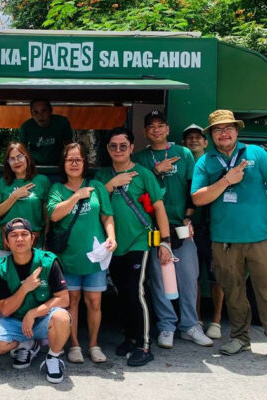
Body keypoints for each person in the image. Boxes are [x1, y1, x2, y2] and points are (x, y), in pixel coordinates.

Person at [191, 109, 267, 363]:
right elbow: (198, 198)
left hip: (258, 239)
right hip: (224, 241)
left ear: (237, 131)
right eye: (217, 129)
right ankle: (240, 338)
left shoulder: (256, 153)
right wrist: (226, 180)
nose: (223, 133)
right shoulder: (205, 161)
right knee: (233, 292)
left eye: (228, 128)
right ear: (211, 135)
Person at [133, 110, 213, 349]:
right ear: (146, 132)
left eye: (160, 125)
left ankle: (190, 325)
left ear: (167, 129)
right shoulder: (140, 159)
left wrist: (189, 217)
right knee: (159, 279)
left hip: (181, 226)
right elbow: (137, 191)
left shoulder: (184, 153)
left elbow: (193, 187)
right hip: (153, 229)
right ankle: (166, 326)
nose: (156, 130)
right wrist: (157, 170)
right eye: (151, 126)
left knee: (188, 277)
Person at [95, 127, 171, 366]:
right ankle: (129, 337)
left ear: (132, 148)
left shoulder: (144, 174)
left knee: (136, 292)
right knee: (122, 293)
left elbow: (159, 208)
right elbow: (94, 201)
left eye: (123, 145)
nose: (118, 150)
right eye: (113, 146)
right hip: (112, 245)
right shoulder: (101, 175)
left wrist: (165, 242)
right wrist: (111, 184)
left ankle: (144, 344)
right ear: (107, 149)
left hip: (139, 241)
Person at [47, 143, 116, 364]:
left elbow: (107, 215)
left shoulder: (97, 187)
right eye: (70, 160)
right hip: (68, 258)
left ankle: (94, 344)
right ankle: (74, 345)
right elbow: (55, 215)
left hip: (95, 256)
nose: (74, 163)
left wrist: (111, 236)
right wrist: (77, 196)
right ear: (63, 163)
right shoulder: (57, 189)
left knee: (95, 301)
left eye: (78, 159)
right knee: (72, 301)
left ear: (85, 162)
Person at [0, 218, 71, 384]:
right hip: (16, 321)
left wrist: (34, 313)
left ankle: (53, 358)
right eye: (14, 235)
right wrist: (25, 288)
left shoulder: (48, 261)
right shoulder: (1, 268)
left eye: (24, 234)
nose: (19, 239)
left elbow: (64, 299)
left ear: (33, 238)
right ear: (6, 241)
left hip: (43, 320)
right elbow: (6, 309)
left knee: (62, 317)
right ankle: (26, 344)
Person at [182, 124, 224, 340]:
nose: (194, 140)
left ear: (206, 142)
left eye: (198, 137)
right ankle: (196, 319)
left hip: (214, 228)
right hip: (190, 229)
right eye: (189, 137)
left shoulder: (215, 164)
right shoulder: (182, 164)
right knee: (193, 277)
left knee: (216, 276)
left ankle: (216, 320)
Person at [0, 142, 51, 260]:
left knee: (34, 278)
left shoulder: (42, 181)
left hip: (33, 243)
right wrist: (14, 196)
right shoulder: (2, 183)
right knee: (5, 277)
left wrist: (46, 240)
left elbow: (47, 217)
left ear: (27, 158)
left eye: (19, 157)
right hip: (5, 243)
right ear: (8, 163)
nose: (17, 161)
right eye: (12, 159)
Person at [19, 99, 74, 166]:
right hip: (35, 167)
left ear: (50, 111)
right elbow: (22, 151)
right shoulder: (25, 127)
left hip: (58, 165)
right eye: (36, 112)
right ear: (31, 114)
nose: (40, 116)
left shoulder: (62, 122)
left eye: (44, 111)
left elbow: (69, 145)